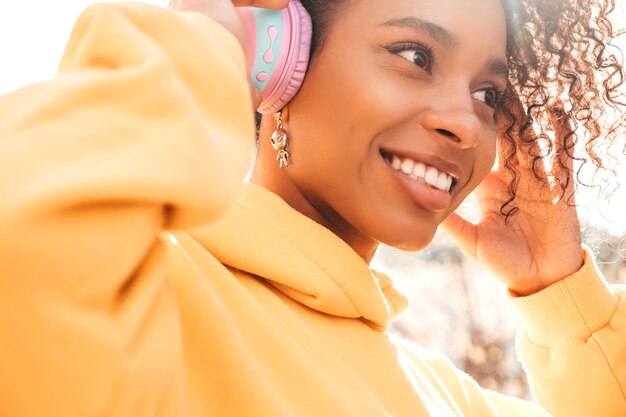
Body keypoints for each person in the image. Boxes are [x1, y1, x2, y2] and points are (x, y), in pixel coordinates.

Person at [0, 0, 624, 416]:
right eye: (414, 56)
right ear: (283, 62)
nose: (466, 122)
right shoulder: (157, 293)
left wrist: (562, 293)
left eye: (488, 93)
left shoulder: (448, 396)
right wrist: (203, 49)